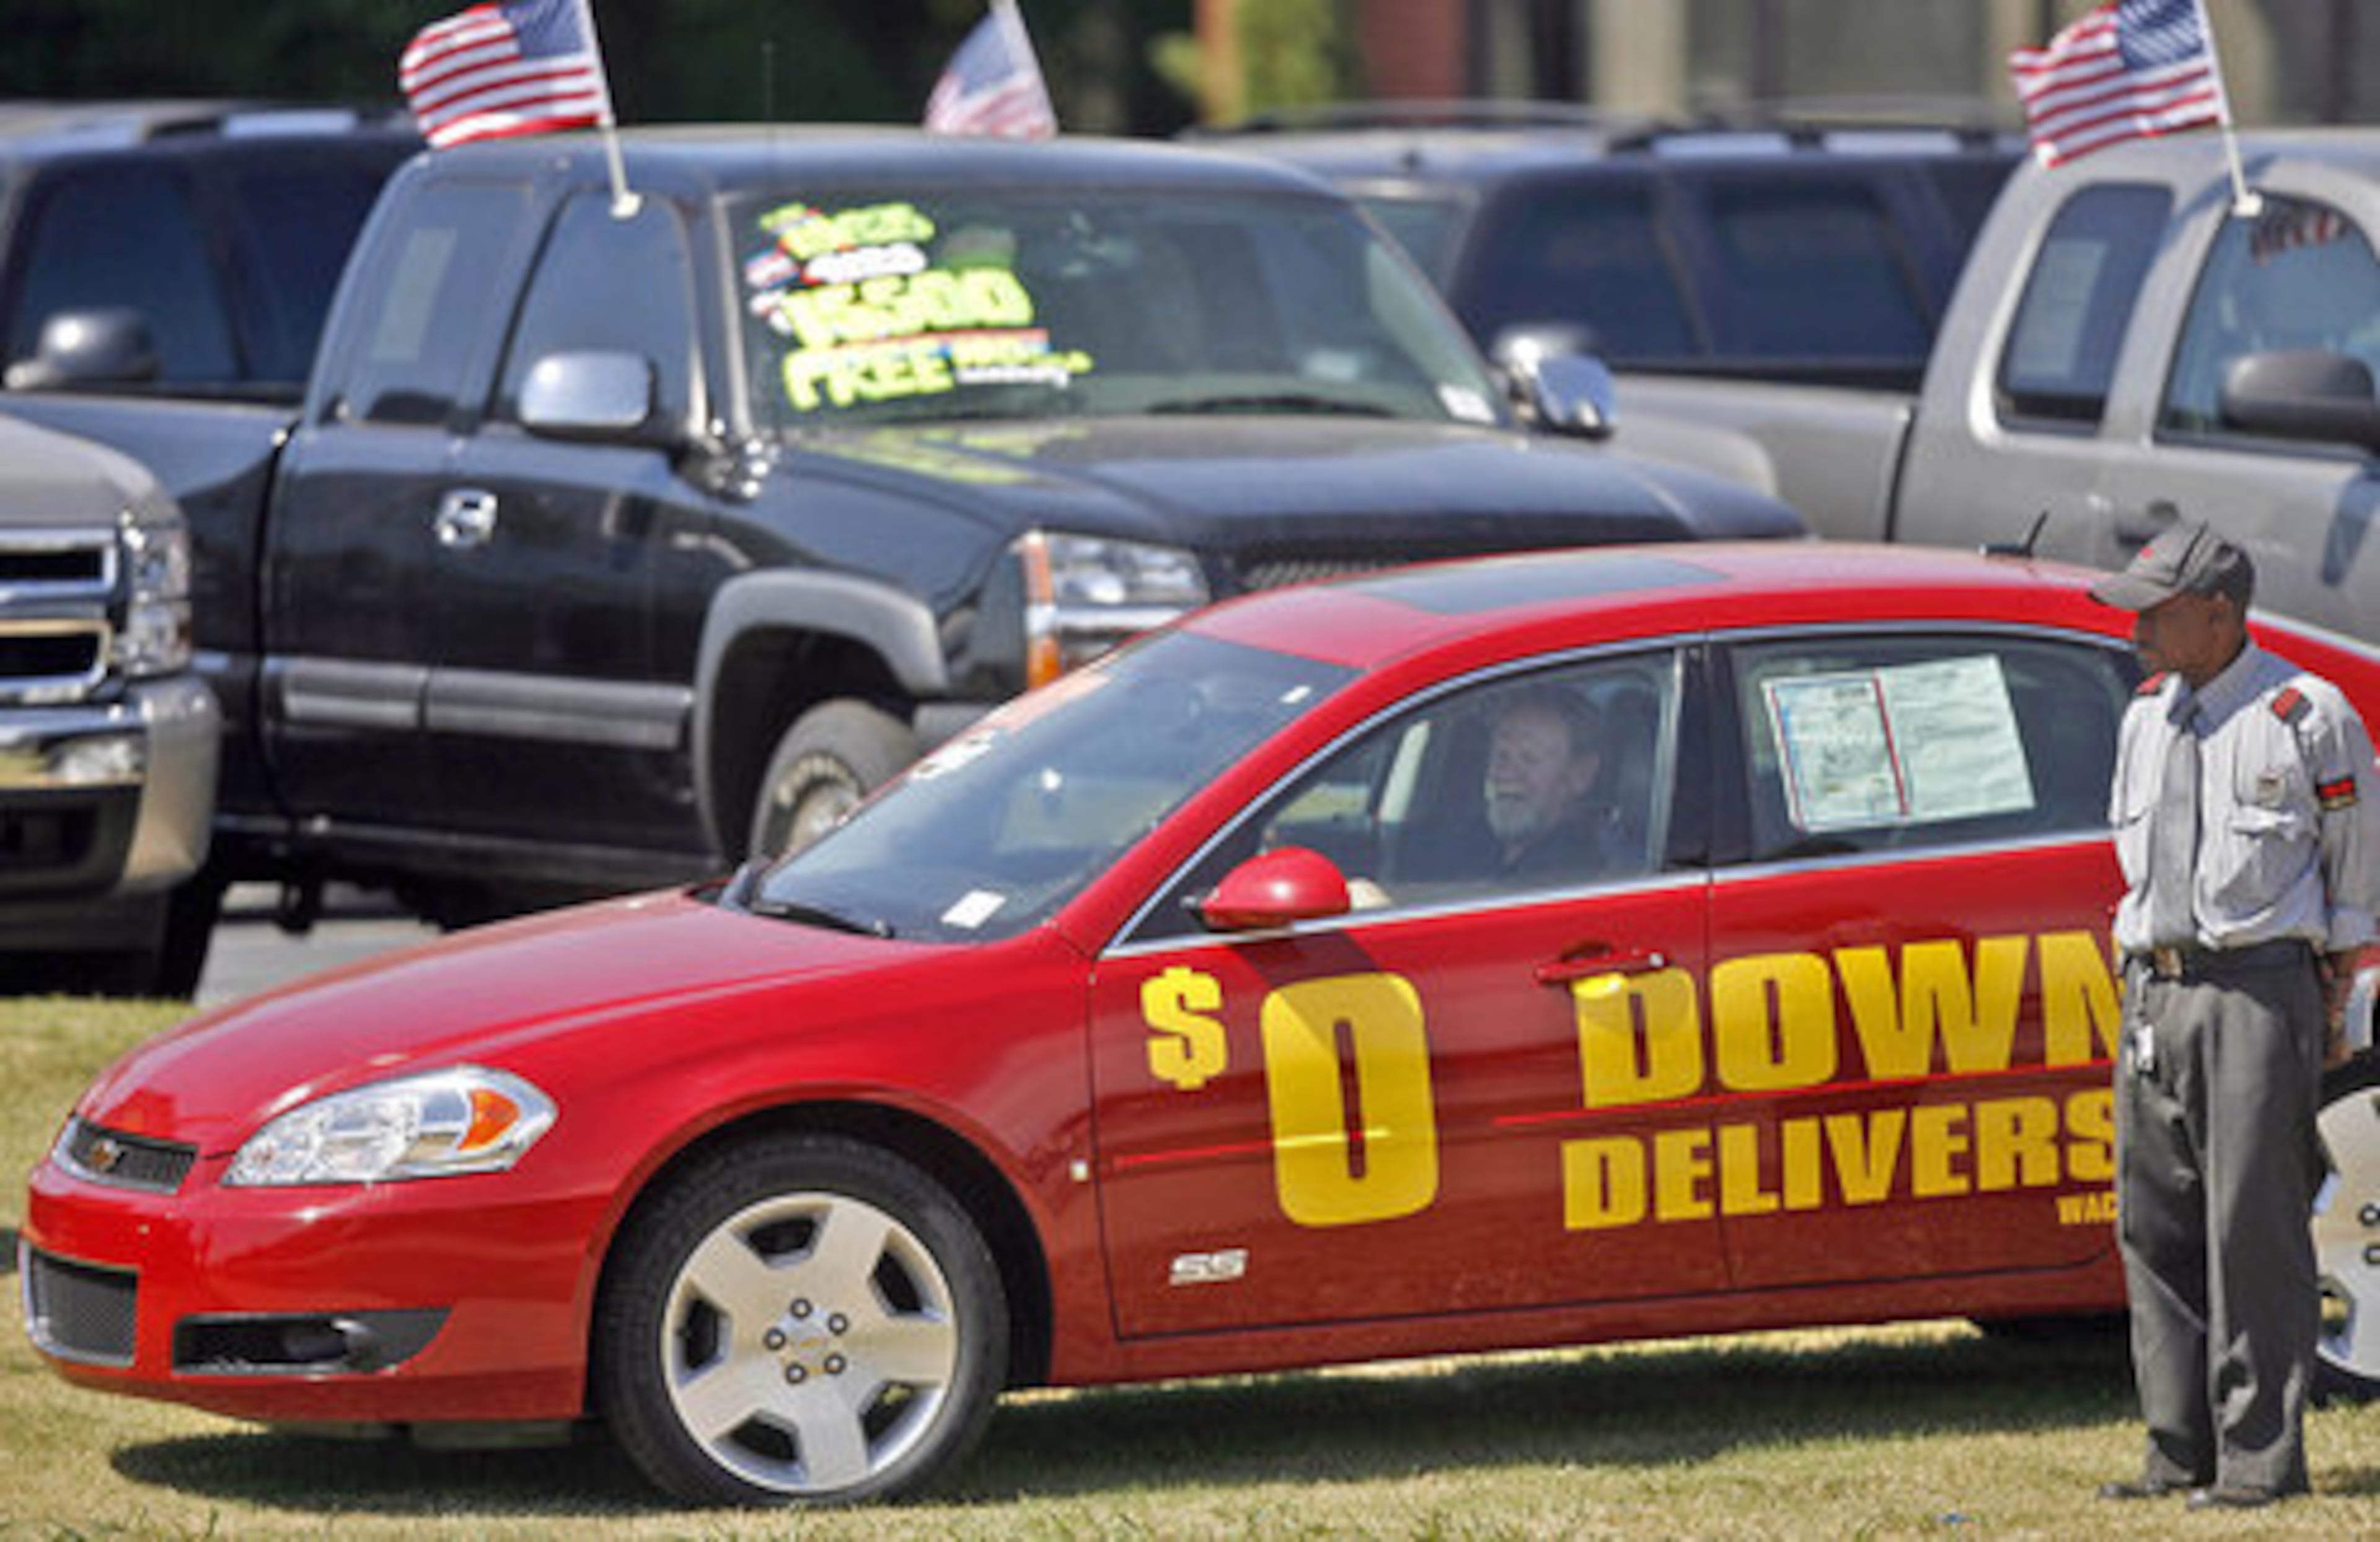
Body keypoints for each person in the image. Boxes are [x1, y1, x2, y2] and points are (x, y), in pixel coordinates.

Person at [2091, 521, 2379, 1510]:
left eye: (2157, 609)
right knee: (2155, 1223)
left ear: (2219, 614)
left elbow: (2352, 875)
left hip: (2257, 986)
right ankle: (2182, 1451)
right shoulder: (2143, 716)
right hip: (2154, 989)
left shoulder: (2305, 715)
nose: (2137, 626)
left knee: (2251, 1228)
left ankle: (2261, 1458)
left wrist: (2335, 994)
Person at [1481, 684, 1610, 879]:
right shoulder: (1463, 841)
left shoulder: (1575, 875)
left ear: (1580, 775)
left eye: (1528, 757)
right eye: (1501, 755)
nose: (1506, 773)